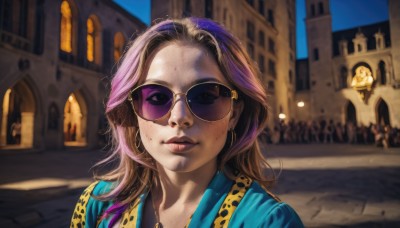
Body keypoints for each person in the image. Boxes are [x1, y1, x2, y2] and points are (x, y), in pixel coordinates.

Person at [71, 18, 304, 228]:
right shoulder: (96, 207)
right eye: (157, 97)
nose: (179, 116)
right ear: (133, 110)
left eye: (205, 96)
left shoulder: (269, 222)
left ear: (234, 113)